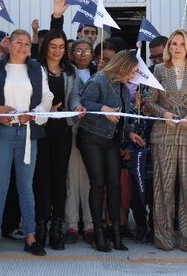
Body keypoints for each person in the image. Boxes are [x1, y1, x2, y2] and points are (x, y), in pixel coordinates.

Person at [0, 29, 54, 258]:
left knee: (26, 188)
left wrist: (36, 113)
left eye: (27, 44)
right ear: (8, 44)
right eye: (19, 42)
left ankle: (30, 237)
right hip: (2, 132)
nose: (23, 47)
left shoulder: (37, 69)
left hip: (28, 133)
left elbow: (47, 98)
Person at [78, 50, 146, 252]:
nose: (133, 76)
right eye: (132, 71)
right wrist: (103, 109)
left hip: (113, 140)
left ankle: (115, 231)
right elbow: (85, 103)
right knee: (98, 184)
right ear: (123, 66)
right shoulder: (98, 80)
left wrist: (129, 134)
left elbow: (123, 115)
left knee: (114, 185)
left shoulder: (123, 87)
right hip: (92, 137)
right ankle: (98, 232)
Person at [146, 30, 187, 251]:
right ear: (169, 47)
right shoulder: (159, 70)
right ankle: (163, 238)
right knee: (163, 187)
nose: (177, 47)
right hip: (164, 134)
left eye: (182, 43)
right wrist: (164, 114)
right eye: (174, 43)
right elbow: (149, 102)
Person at [34, 29, 77, 252]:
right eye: (53, 46)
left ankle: (56, 228)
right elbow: (31, 96)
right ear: (46, 47)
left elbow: (75, 95)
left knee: (59, 179)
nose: (57, 51)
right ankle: (41, 225)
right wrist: (45, 109)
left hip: (62, 130)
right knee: (42, 179)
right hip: (40, 129)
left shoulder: (70, 71)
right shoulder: (35, 68)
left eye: (61, 47)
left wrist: (76, 106)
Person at [65, 38, 95, 245]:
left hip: (95, 132)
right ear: (72, 53)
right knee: (72, 177)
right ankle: (72, 224)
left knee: (91, 179)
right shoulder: (68, 73)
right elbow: (72, 97)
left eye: (87, 51)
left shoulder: (101, 72)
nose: (83, 54)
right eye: (79, 50)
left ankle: (91, 223)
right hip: (73, 128)